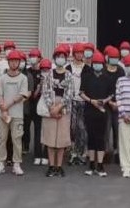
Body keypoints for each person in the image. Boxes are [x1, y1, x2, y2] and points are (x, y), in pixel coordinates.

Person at [0, 49, 30, 176]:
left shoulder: (23, 78)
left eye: (16, 61)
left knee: (16, 139)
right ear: (8, 62)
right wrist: (2, 109)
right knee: (1, 139)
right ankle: (0, 164)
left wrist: (6, 106)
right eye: (11, 61)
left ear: (19, 63)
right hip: (3, 114)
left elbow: (21, 95)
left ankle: (16, 164)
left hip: (17, 114)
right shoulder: (3, 78)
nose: (14, 63)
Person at [41, 46, 75, 177]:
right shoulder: (49, 74)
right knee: (50, 138)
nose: (60, 59)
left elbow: (70, 93)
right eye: (58, 57)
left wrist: (59, 107)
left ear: (66, 59)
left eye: (62, 57)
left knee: (62, 139)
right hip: (50, 107)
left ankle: (59, 166)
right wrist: (51, 108)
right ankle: (51, 166)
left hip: (64, 108)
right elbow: (45, 91)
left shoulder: (69, 75)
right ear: (54, 59)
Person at [80, 51, 113, 176]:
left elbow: (111, 94)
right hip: (89, 110)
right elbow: (81, 93)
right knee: (91, 138)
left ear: (103, 64)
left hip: (102, 112)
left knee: (100, 138)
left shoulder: (107, 78)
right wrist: (91, 101)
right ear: (92, 64)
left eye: (99, 63)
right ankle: (91, 164)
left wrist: (104, 101)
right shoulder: (86, 76)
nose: (97, 65)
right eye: (95, 63)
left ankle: (100, 165)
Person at [67, 43, 88, 165]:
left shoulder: (87, 68)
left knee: (82, 128)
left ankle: (81, 153)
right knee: (72, 127)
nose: (79, 55)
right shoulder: (68, 68)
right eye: (77, 53)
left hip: (83, 101)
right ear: (73, 54)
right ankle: (72, 153)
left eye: (81, 53)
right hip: (71, 101)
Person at [23, 48, 45, 164]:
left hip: (39, 104)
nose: (33, 58)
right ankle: (25, 147)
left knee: (38, 129)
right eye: (31, 56)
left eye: (35, 56)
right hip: (27, 104)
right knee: (25, 127)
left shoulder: (43, 71)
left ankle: (38, 153)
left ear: (40, 58)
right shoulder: (26, 72)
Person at [103, 45, 125, 163]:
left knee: (118, 129)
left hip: (118, 105)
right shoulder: (103, 71)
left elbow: (123, 88)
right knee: (106, 130)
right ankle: (106, 152)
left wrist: (118, 103)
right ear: (108, 58)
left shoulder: (121, 71)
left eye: (116, 57)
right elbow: (101, 89)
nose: (114, 59)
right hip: (106, 105)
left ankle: (118, 152)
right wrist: (110, 102)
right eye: (112, 57)